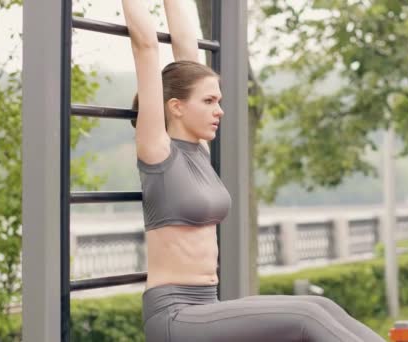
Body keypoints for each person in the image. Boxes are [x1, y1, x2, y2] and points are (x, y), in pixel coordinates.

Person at [122, 0, 385, 341]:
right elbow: (145, 45)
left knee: (323, 307)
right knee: (305, 315)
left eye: (218, 100)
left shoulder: (199, 151)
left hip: (206, 304)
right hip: (175, 315)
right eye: (208, 101)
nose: (220, 110)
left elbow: (185, 45)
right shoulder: (157, 151)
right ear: (176, 107)